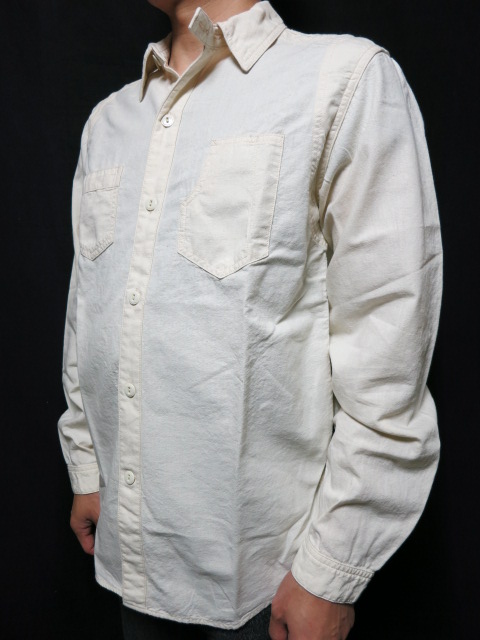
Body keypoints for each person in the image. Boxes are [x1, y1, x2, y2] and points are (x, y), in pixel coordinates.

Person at [57, 1, 443, 638]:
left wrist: (331, 571)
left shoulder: (341, 81)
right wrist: (87, 465)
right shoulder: (109, 121)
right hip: (128, 555)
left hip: (269, 583)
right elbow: (89, 315)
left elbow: (388, 352)